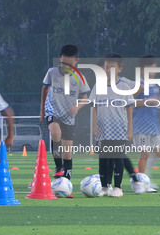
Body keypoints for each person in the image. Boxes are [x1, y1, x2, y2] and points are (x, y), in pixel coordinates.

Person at [40, 44, 90, 198]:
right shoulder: (51, 72)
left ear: (76, 61)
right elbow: (45, 89)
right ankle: (57, 167)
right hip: (52, 111)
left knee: (67, 153)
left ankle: (66, 186)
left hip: (69, 116)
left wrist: (78, 106)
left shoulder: (79, 77)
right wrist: (42, 110)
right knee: (55, 133)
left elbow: (86, 98)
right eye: (63, 63)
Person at [90, 53, 136, 197]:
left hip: (120, 130)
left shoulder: (124, 86)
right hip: (104, 130)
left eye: (112, 68)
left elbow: (129, 109)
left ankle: (118, 187)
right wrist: (94, 126)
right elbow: (94, 107)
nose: (108, 70)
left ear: (120, 69)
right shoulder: (98, 86)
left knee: (117, 157)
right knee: (103, 158)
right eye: (106, 67)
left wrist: (130, 130)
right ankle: (104, 187)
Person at [124, 55, 160, 193]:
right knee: (145, 153)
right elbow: (129, 102)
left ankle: (146, 178)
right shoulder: (137, 84)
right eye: (150, 69)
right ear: (142, 69)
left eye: (154, 69)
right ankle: (143, 183)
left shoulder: (155, 84)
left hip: (154, 124)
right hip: (140, 124)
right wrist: (148, 101)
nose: (153, 72)